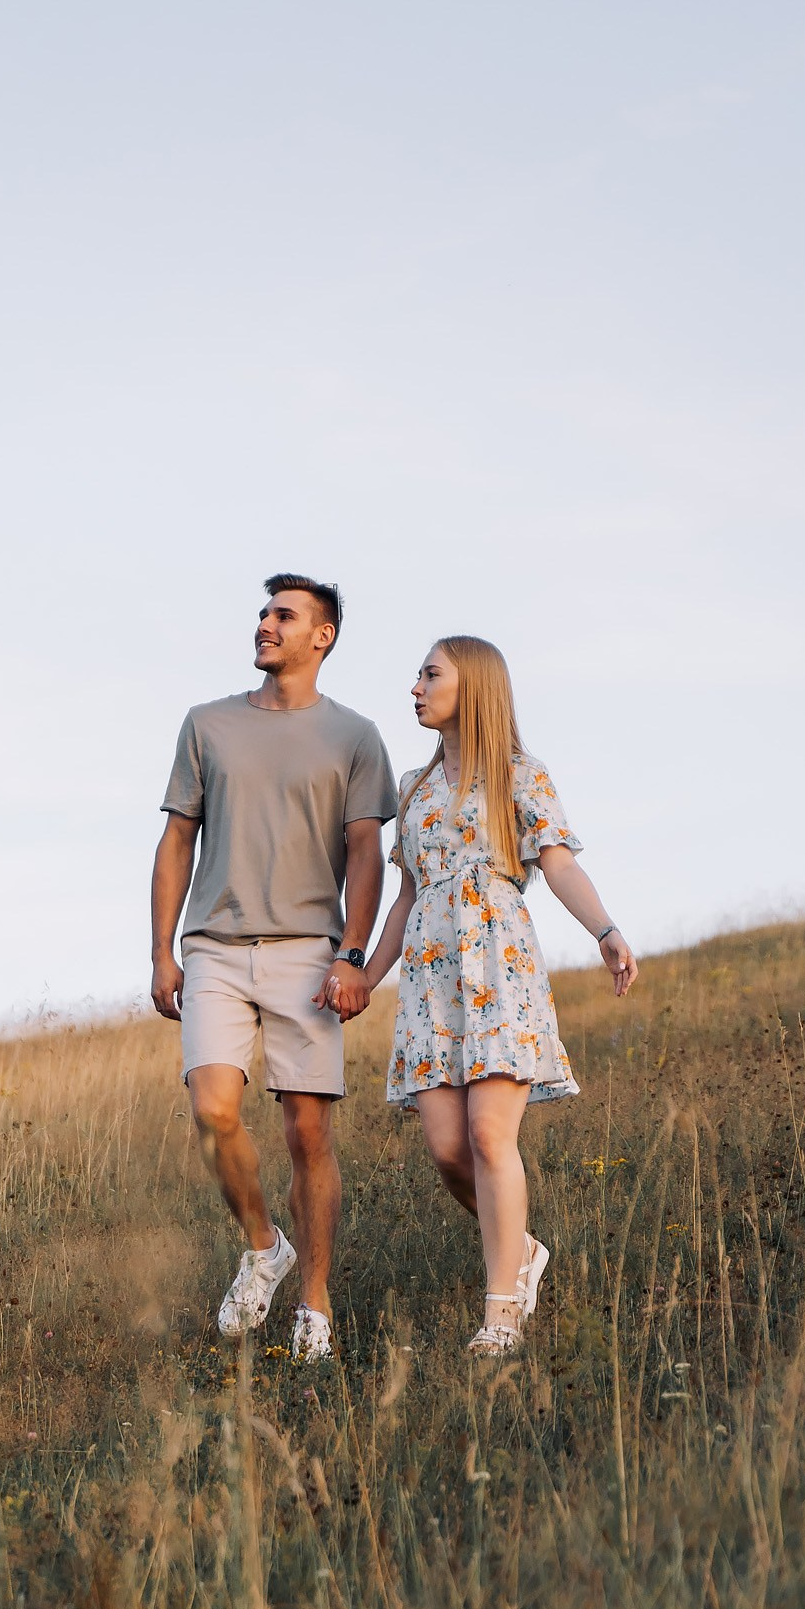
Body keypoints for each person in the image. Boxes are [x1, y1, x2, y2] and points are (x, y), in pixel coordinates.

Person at [354, 634, 639, 1354]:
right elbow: (404, 897)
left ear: (472, 686)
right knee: (450, 1151)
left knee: (489, 1135)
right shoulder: (412, 791)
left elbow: (559, 864)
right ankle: (524, 1253)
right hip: (429, 980)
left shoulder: (520, 774)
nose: (415, 688)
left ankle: (501, 1314)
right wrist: (364, 973)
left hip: (498, 966)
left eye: (429, 675)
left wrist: (604, 928)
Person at [151, 575, 397, 1360]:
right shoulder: (206, 724)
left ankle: (314, 1308)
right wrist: (162, 948)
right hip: (215, 948)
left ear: (320, 636)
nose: (265, 624)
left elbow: (367, 853)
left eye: (283, 615)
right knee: (214, 1112)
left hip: (308, 954)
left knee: (307, 1133)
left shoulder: (355, 737)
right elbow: (176, 842)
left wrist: (354, 955)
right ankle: (265, 1246)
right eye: (263, 613)